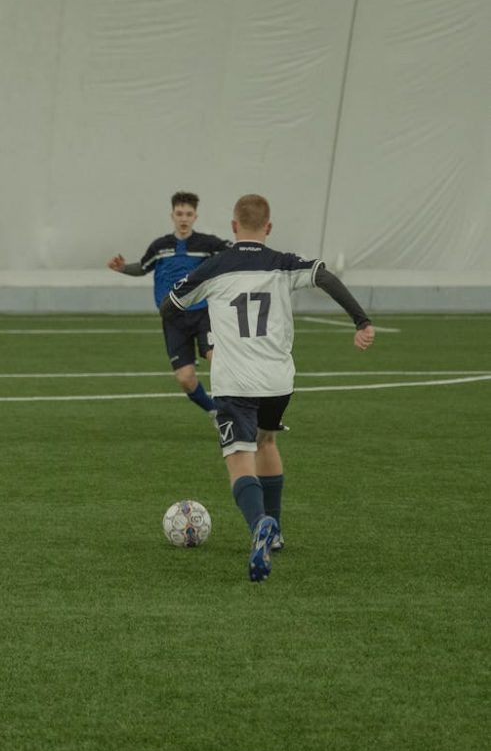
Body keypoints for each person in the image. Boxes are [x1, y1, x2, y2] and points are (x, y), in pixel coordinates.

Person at [160, 193, 375, 582]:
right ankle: (274, 532)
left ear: (233, 226)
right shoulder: (283, 263)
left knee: (239, 459)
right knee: (268, 442)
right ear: (269, 227)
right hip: (278, 381)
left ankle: (260, 523)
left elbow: (171, 305)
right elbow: (325, 276)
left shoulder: (215, 266)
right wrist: (361, 321)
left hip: (234, 379)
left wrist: (205, 330)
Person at [107, 191, 230, 421]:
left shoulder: (208, 244)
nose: (184, 218)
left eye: (189, 214)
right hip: (173, 318)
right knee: (185, 378)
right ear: (172, 215)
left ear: (196, 217)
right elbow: (143, 268)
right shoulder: (160, 246)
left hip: (204, 313)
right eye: (179, 213)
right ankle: (215, 411)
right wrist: (122, 268)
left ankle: (236, 412)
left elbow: (233, 253)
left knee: (217, 361)